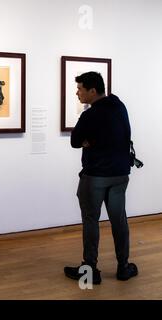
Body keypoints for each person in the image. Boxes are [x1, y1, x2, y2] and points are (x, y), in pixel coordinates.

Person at [64, 71, 138, 285]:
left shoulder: (90, 115)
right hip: (120, 175)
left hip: (95, 177)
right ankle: (123, 268)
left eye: (80, 89)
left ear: (92, 90)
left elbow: (75, 141)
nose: (77, 92)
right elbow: (122, 135)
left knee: (90, 221)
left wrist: (90, 141)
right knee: (119, 220)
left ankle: (90, 271)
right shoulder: (119, 106)